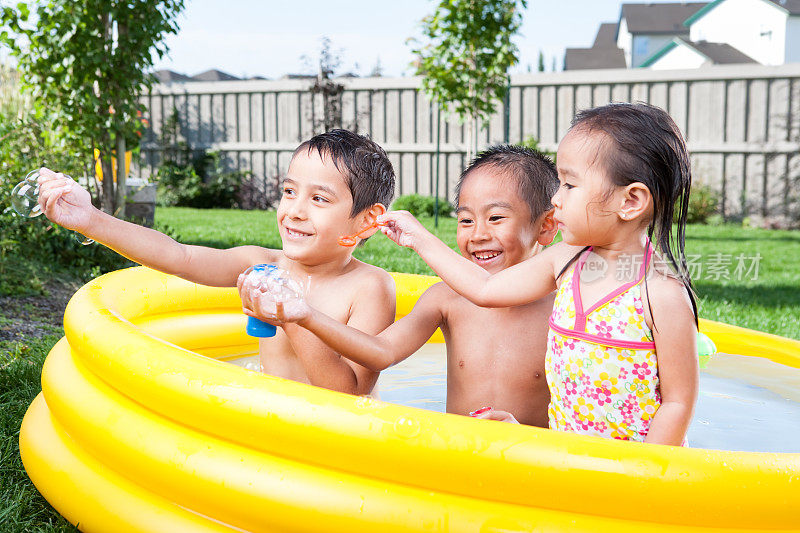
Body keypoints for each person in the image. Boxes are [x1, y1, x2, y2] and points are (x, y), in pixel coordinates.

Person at [376, 103, 700, 446]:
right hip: (562, 466)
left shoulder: (661, 294)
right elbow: (485, 289)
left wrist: (643, 478)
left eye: (569, 185)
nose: (556, 199)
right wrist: (419, 239)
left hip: (627, 478)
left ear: (631, 201)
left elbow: (678, 404)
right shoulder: (565, 264)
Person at [36, 129, 396, 396]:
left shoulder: (369, 289)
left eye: (319, 198)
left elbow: (350, 394)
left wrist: (294, 318)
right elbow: (180, 257)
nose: (294, 211)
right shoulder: (264, 264)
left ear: (365, 221)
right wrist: (91, 219)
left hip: (336, 432)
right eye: (289, 191)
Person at [241, 145, 559, 427]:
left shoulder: (563, 308)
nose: (477, 234)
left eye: (496, 218)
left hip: (529, 460)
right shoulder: (445, 299)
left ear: (545, 227)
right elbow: (381, 353)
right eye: (465, 220)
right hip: (456, 459)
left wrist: (526, 435)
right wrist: (304, 315)